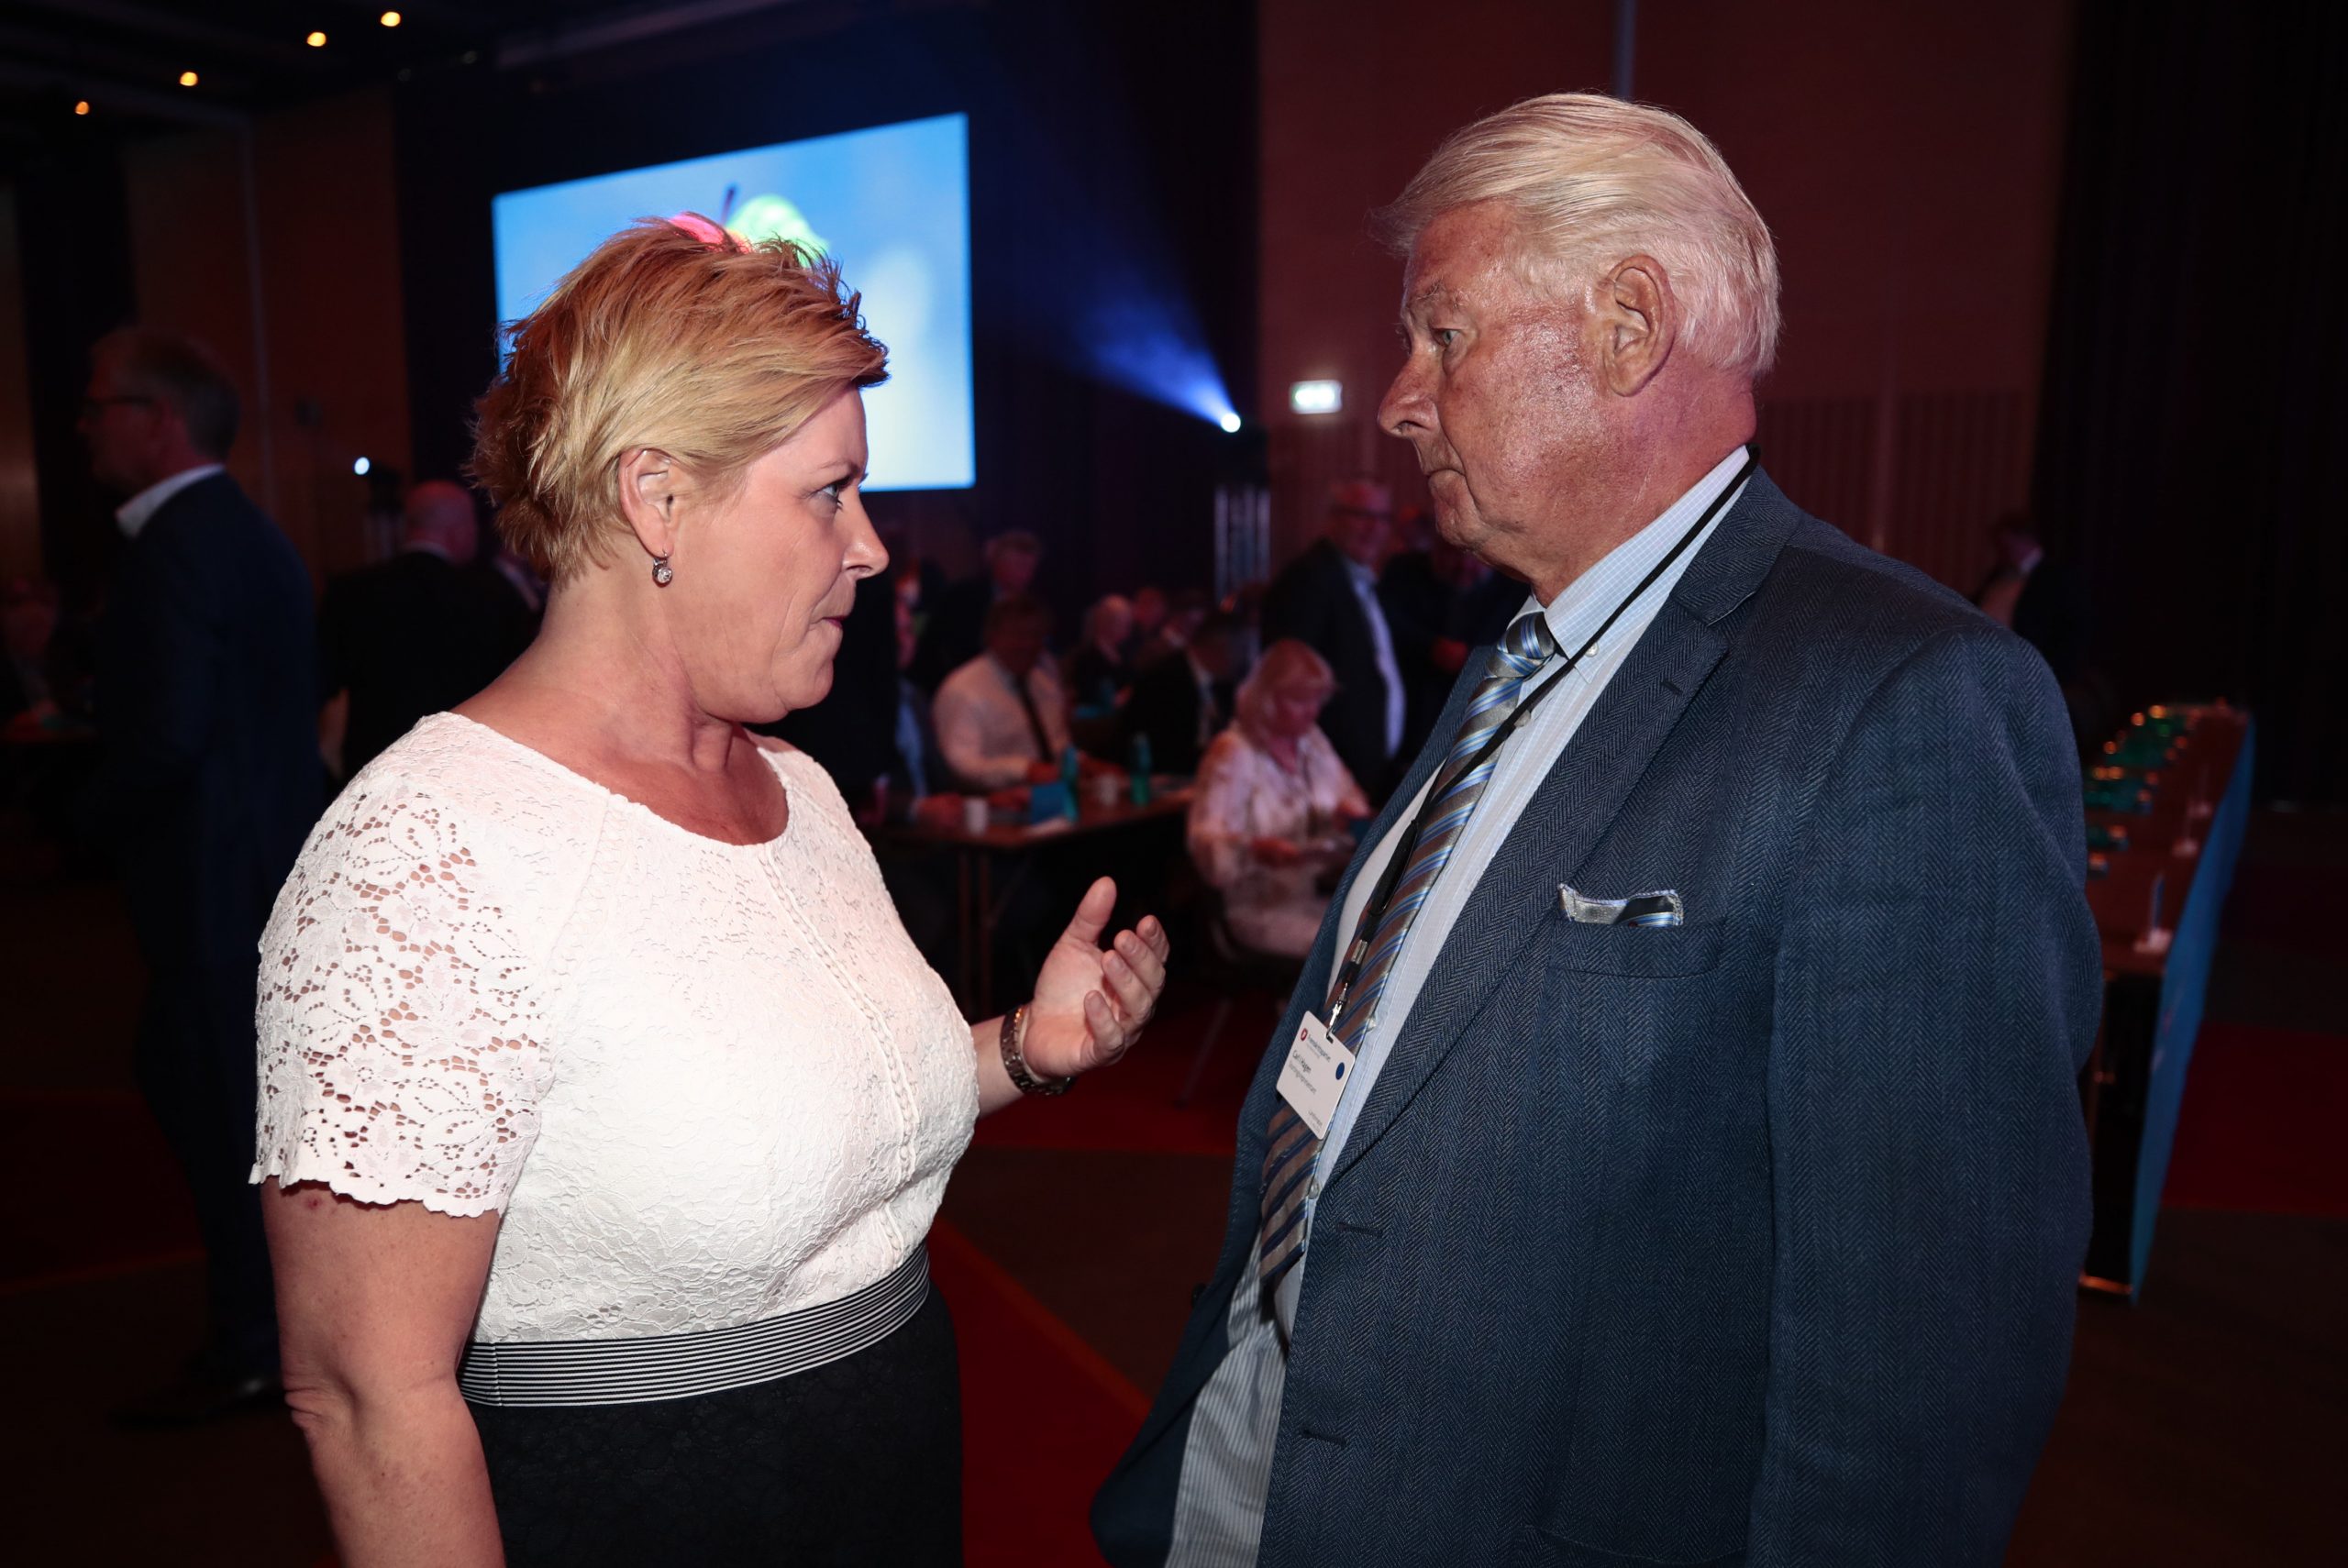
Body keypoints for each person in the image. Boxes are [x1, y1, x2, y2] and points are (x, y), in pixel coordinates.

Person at [1095, 94, 2099, 1568]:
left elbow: (1918, 1378)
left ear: (1629, 325)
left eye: (1443, 334)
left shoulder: (1907, 700)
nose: (1400, 400)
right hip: (1280, 1447)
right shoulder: (1522, 646)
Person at [253, 217, 1170, 1567]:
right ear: (657, 498)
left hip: (887, 1488)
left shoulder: (797, 788)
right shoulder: (426, 853)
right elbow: (365, 1395)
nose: (871, 547)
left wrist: (1031, 1047)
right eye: (829, 493)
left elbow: (808, 1120)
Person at [78, 326, 322, 1425]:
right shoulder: (247, 532)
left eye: (100, 407)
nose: (86, 427)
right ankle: (265, 1333)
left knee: (227, 1124)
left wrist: (79, 820)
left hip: (214, 893)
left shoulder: (178, 546)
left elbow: (167, 737)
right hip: (255, 880)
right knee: (237, 1119)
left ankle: (260, 1344)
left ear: (158, 420)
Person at [317, 480, 530, 781]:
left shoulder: (350, 593)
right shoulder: (492, 597)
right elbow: (519, 689)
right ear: (458, 531)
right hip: (464, 772)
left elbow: (322, 683)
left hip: (375, 771)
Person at [1186, 640, 1370, 958]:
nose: (1312, 711)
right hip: (1259, 907)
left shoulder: (1311, 741)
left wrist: (1347, 816)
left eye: (1317, 699)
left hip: (1318, 894)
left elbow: (1353, 802)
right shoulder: (1234, 752)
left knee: (1378, 936)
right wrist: (1256, 850)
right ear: (1267, 698)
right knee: (1350, 951)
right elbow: (1207, 845)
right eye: (1300, 700)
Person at [1258, 479, 1407, 794]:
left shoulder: (1365, 580)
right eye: (1361, 515)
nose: (1373, 528)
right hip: (1327, 775)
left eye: (1382, 518)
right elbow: (1291, 684)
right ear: (1333, 519)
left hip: (1365, 774)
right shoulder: (1308, 580)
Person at [1379, 530, 1521, 769]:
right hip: (1406, 726)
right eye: (1453, 554)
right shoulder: (1404, 573)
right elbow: (1386, 625)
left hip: (1474, 732)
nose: (1464, 565)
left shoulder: (1512, 589)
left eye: (1475, 556)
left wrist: (1470, 655)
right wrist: (1431, 646)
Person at [932, 592, 1073, 790]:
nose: (1028, 644)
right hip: (992, 802)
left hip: (1055, 795)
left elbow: (1058, 747)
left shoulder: (1044, 684)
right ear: (992, 636)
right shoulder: (963, 689)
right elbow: (960, 765)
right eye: (1018, 634)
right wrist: (1023, 770)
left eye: (1036, 635)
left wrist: (1085, 764)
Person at [912, 527, 1042, 690]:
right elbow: (937, 646)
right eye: (1019, 565)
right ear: (998, 563)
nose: (1025, 574)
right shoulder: (964, 596)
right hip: (966, 683)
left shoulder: (1034, 605)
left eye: (1030, 567)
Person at [1120, 609, 1242, 777]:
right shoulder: (1163, 680)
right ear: (1220, 646)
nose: (1244, 657)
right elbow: (1161, 750)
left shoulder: (1224, 685)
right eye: (1241, 649)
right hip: (1159, 777)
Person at [1069, 592, 1136, 711]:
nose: (1128, 631)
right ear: (1106, 622)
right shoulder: (1085, 657)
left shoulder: (1124, 654)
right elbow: (1086, 696)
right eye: (1124, 624)